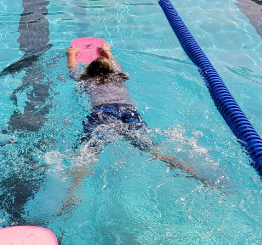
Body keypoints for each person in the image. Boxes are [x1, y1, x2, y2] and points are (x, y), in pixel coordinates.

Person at [64, 44, 209, 197]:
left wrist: (71, 54)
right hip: (128, 111)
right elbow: (116, 63)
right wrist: (107, 51)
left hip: (103, 112)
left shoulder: (87, 80)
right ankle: (193, 173)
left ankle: (74, 191)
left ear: (89, 71)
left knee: (88, 152)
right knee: (151, 148)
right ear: (112, 70)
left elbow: (72, 70)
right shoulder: (120, 76)